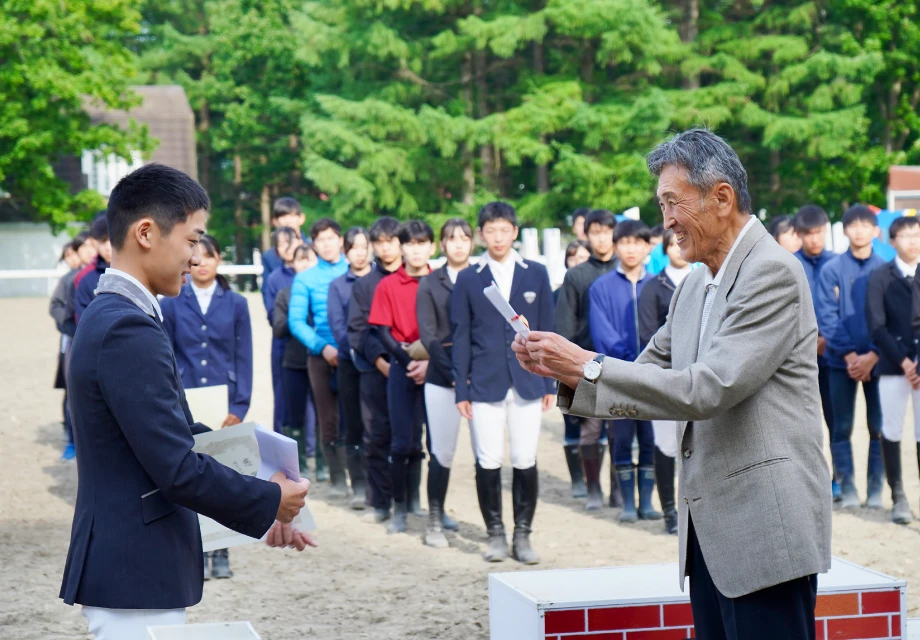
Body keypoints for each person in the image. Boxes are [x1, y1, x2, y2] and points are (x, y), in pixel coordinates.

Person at [513, 129, 831, 640]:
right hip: (710, 532)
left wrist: (585, 364)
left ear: (721, 197)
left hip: (765, 530)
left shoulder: (772, 272)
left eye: (672, 203)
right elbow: (647, 376)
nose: (666, 222)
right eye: (662, 205)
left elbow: (708, 388)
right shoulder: (695, 284)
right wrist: (564, 368)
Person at [60, 164, 313, 640]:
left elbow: (182, 435)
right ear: (146, 233)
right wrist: (268, 500)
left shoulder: (119, 315)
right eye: (192, 239)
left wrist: (266, 496)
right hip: (133, 571)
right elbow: (177, 466)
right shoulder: (126, 327)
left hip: (132, 566)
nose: (197, 257)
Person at [452, 202, 555, 565]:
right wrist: (461, 389)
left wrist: (549, 382)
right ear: (481, 234)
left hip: (528, 380)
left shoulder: (536, 273)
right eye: (490, 230)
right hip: (484, 381)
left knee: (525, 457)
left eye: (504, 230)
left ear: (515, 232)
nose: (498, 237)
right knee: (488, 459)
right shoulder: (469, 277)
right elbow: (461, 336)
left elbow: (548, 328)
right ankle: (495, 532)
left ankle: (522, 534)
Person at [160, 234, 254, 580]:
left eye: (209, 257)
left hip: (224, 404)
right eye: (195, 258)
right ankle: (196, 549)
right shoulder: (171, 303)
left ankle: (222, 551)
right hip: (186, 400)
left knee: (223, 475)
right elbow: (167, 354)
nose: (201, 264)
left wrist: (240, 405)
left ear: (219, 261)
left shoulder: (236, 303)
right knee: (189, 475)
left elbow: (244, 357)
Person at [588, 219, 659, 522]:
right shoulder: (601, 287)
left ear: (647, 247)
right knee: (622, 436)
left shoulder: (657, 284)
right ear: (616, 247)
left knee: (650, 437)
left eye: (637, 243)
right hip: (617, 374)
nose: (631, 249)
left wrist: (652, 361)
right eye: (625, 243)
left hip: (654, 375)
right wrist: (630, 361)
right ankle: (627, 502)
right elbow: (602, 334)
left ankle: (647, 502)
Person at [816, 205, 887, 509]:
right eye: (853, 226)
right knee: (841, 426)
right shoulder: (831, 270)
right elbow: (826, 316)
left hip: (880, 361)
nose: (859, 231)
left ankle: (875, 490)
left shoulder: (885, 269)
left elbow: (891, 317)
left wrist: (874, 354)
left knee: (879, 426)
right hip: (838, 362)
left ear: (876, 231)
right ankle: (847, 489)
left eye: (865, 225)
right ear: (844, 230)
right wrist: (849, 355)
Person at [368, 220, 435, 534]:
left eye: (422, 243)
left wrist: (429, 362)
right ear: (401, 247)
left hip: (436, 368)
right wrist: (408, 362)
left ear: (432, 247)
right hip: (401, 366)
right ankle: (399, 508)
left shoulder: (440, 281)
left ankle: (427, 505)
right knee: (401, 441)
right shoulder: (388, 285)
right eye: (410, 243)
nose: (416, 250)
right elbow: (383, 331)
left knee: (434, 442)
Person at [554, 208, 620, 508]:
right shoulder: (576, 276)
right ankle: (593, 489)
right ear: (586, 235)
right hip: (586, 365)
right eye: (595, 233)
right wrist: (568, 371)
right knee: (590, 430)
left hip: (622, 364)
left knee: (620, 430)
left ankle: (619, 490)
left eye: (607, 232)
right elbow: (565, 327)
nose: (602, 239)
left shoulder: (626, 270)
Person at [416, 218, 473, 547]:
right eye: (452, 238)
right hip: (442, 376)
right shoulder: (429, 283)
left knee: (487, 455)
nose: (458, 244)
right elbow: (429, 336)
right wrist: (455, 373)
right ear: (442, 244)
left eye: (464, 238)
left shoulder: (483, 278)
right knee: (442, 451)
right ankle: (435, 519)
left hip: (480, 377)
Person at [347, 217, 403, 523]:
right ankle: (379, 502)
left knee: (410, 437)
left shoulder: (417, 281)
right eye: (379, 242)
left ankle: (410, 500)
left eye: (391, 241)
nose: (385, 248)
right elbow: (358, 331)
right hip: (374, 371)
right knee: (376, 436)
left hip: (413, 370)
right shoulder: (364, 285)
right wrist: (382, 362)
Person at [289, 218, 350, 496]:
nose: (326, 245)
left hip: (356, 354)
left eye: (331, 238)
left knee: (359, 417)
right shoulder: (305, 278)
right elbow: (296, 321)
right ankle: (337, 478)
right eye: (320, 240)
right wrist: (322, 347)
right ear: (313, 244)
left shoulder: (356, 270)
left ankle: (360, 476)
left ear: (341, 240)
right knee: (328, 419)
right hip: (320, 356)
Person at [637, 228, 692, 535]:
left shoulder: (704, 279)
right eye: (671, 244)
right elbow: (649, 334)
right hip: (664, 375)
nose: (677, 248)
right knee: (666, 445)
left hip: (699, 375)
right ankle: (669, 511)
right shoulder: (653, 287)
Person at [867, 215, 920, 524]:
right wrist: (905, 362)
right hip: (892, 364)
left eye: (917, 234)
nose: (913, 241)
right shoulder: (880, 277)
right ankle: (898, 494)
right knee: (892, 429)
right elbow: (877, 326)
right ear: (892, 241)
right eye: (906, 235)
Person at [793, 205, 839, 500]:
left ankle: (838, 479)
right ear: (798, 234)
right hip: (799, 358)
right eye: (808, 233)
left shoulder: (837, 263)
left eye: (819, 232)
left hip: (833, 356)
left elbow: (846, 310)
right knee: (803, 422)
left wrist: (827, 340)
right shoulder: (788, 264)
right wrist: (807, 341)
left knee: (836, 421)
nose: (814, 239)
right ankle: (807, 480)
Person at [327, 227, 373, 509]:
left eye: (364, 246)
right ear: (345, 252)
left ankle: (380, 485)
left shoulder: (381, 280)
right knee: (353, 423)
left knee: (378, 424)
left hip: (380, 364)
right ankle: (358, 485)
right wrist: (361, 350)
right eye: (353, 247)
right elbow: (337, 326)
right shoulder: (338, 286)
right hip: (350, 363)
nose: (359, 253)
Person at [273, 244, 320, 477]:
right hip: (293, 362)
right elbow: (278, 328)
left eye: (309, 258)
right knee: (295, 416)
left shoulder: (323, 290)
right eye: (300, 259)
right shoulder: (285, 294)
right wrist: (296, 317)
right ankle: (298, 464)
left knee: (324, 414)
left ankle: (323, 463)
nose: (305, 264)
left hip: (321, 360)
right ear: (292, 264)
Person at [262, 198, 307, 432]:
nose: (287, 220)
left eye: (291, 215)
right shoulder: (271, 258)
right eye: (282, 216)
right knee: (284, 397)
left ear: (301, 218)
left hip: (316, 339)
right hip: (284, 338)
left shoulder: (313, 249)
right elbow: (270, 305)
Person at [49, 232, 91, 461]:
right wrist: (68, 325)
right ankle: (72, 441)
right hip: (72, 342)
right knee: (72, 393)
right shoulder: (70, 279)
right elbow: (55, 307)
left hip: (94, 342)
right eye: (83, 248)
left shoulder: (105, 274)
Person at [74, 214, 113, 323]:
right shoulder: (86, 279)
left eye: (112, 240)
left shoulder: (137, 273)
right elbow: (83, 321)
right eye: (103, 241)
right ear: (95, 243)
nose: (108, 247)